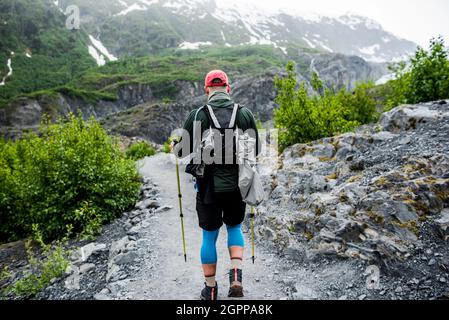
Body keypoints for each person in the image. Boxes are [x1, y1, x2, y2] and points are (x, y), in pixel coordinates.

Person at [173, 70, 260, 300]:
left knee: (209, 236)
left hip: (208, 188)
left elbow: (181, 151)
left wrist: (176, 144)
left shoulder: (198, 115)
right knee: (234, 228)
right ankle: (236, 277)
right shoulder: (244, 114)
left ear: (207, 89)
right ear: (228, 88)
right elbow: (256, 150)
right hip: (238, 186)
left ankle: (210, 289)